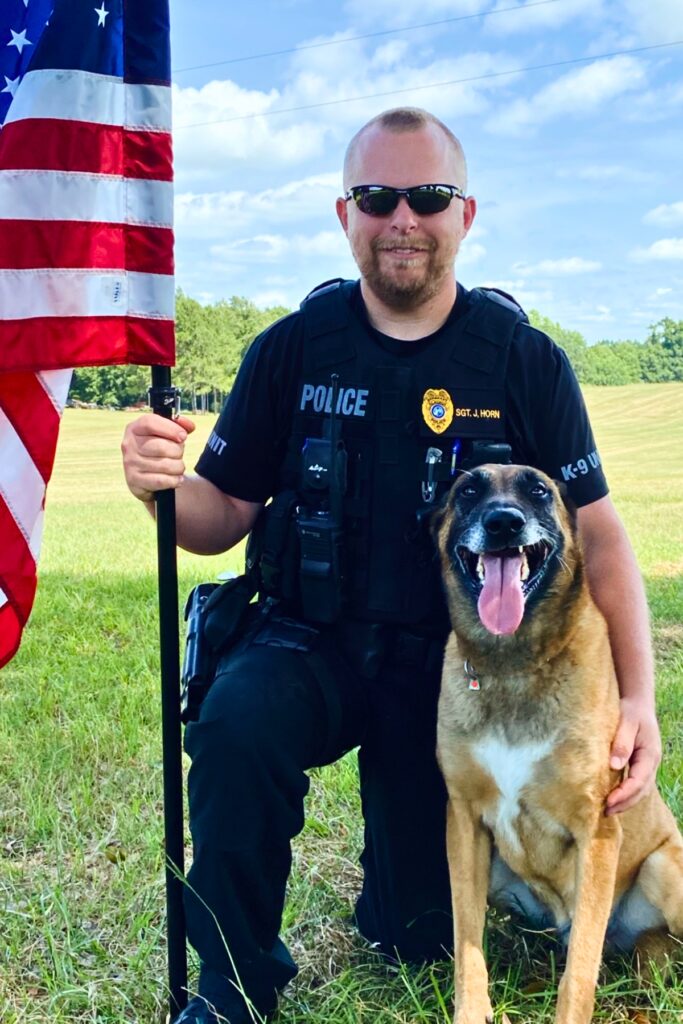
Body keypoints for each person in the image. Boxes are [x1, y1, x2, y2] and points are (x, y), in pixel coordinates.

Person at [121, 108, 661, 1024]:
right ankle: (233, 988)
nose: (402, 217)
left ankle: (394, 901)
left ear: (464, 214)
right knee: (235, 727)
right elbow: (221, 520)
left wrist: (639, 700)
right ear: (345, 215)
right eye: (377, 197)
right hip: (306, 644)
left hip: (450, 674)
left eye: (427, 196)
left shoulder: (522, 361)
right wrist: (161, 489)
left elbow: (598, 538)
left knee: (413, 927)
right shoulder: (293, 348)